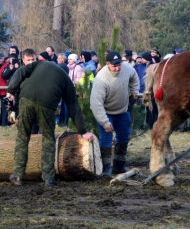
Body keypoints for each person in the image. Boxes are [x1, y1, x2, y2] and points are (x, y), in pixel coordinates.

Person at [7, 48, 94, 187]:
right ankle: (48, 177)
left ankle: (18, 176)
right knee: (48, 139)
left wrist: (10, 92)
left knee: (23, 137)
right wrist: (83, 131)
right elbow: (73, 108)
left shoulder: (41, 64)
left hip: (26, 98)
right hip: (47, 105)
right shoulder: (67, 80)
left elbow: (20, 72)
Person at [90, 51, 139, 176]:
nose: (117, 68)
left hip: (122, 111)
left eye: (119, 65)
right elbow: (96, 104)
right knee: (106, 140)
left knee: (123, 137)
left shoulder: (127, 68)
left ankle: (119, 166)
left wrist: (134, 90)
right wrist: (105, 122)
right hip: (105, 113)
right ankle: (105, 169)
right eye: (114, 66)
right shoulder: (101, 79)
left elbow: (134, 77)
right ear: (107, 64)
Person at [0, 53, 9, 126]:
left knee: (4, 108)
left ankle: (4, 123)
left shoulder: (7, 65)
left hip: (4, 90)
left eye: (0, 58)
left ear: (3, 58)